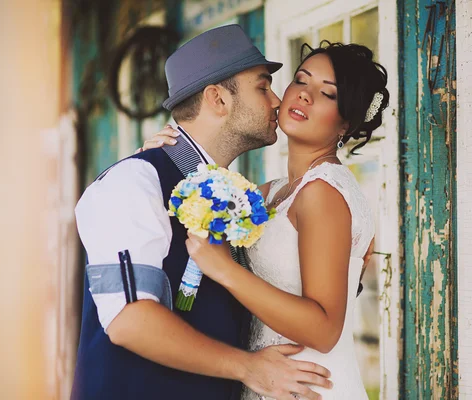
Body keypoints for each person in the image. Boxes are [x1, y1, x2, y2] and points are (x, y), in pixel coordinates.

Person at [72, 25, 332, 400]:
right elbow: (129, 321)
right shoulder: (135, 181)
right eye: (262, 87)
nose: (277, 101)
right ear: (218, 99)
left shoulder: (232, 195)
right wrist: (249, 367)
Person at [143, 41, 389, 399]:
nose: (305, 96)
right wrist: (159, 159)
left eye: (328, 94)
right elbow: (202, 204)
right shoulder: (270, 193)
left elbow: (324, 330)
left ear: (345, 122)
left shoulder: (324, 193)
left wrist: (225, 269)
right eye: (301, 80)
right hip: (269, 379)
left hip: (310, 385)